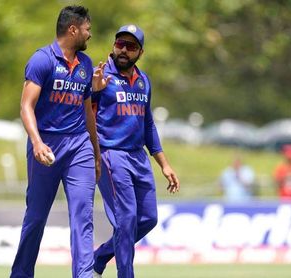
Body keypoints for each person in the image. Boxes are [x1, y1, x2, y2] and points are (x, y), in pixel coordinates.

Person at [10, 6, 101, 278]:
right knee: (36, 218)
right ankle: (21, 274)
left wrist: (95, 153)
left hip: (79, 148)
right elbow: (26, 106)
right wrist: (37, 143)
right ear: (72, 29)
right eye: (86, 28)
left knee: (83, 217)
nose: (90, 33)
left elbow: (87, 113)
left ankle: (84, 274)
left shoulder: (85, 64)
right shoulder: (42, 60)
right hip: (46, 147)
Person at [91, 24, 180, 278]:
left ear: (140, 52)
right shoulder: (100, 75)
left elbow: (148, 123)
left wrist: (164, 163)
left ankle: (100, 256)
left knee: (148, 219)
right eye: (120, 44)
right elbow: (86, 113)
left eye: (131, 47)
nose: (123, 50)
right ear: (113, 46)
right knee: (126, 219)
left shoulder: (143, 81)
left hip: (139, 158)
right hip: (112, 154)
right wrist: (94, 91)